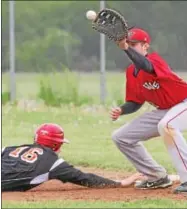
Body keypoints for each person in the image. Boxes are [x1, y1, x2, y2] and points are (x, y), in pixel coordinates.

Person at [110, 27, 187, 194]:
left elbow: (146, 65)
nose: (129, 46)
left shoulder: (154, 61)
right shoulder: (131, 71)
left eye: (134, 44)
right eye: (128, 43)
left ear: (145, 46)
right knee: (121, 137)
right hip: (166, 109)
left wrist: (125, 48)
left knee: (166, 125)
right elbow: (135, 102)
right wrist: (121, 110)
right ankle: (156, 176)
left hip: (184, 103)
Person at [2, 123, 144, 192]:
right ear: (55, 145)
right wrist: (122, 183)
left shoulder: (12, 148)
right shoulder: (53, 163)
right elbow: (85, 178)